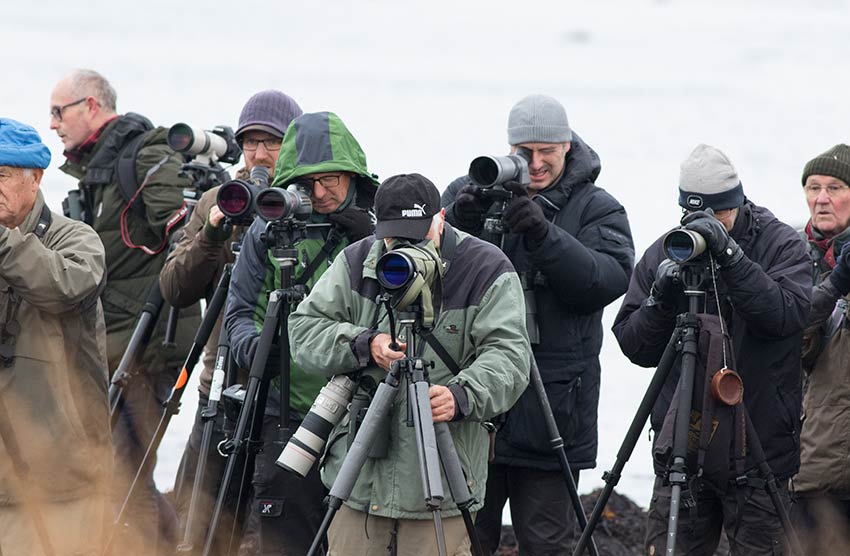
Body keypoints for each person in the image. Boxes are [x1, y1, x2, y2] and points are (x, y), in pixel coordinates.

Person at [288, 173, 531, 555]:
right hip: (359, 478)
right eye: (393, 235)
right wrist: (364, 343)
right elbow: (303, 331)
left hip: (444, 479)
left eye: (417, 233)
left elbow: (510, 354)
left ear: (441, 217)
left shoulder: (483, 266)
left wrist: (461, 395)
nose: (404, 244)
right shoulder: (356, 260)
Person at [441, 93, 634, 554]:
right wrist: (457, 231)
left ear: (568, 145)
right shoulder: (472, 190)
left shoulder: (597, 208)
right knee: (462, 542)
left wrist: (544, 235)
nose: (537, 163)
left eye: (548, 150)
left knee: (547, 545)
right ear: (508, 149)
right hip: (474, 407)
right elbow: (423, 280)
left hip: (552, 408)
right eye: (525, 152)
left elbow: (604, 282)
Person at [612, 144, 811, 555]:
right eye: (694, 213)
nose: (706, 223)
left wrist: (731, 259)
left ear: (737, 202)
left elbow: (786, 317)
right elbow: (635, 345)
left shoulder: (780, 245)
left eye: (718, 214)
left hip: (759, 446)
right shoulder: (672, 249)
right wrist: (659, 302)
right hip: (684, 443)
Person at [49, 68, 201, 554]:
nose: (53, 123)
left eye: (59, 111)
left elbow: (187, 236)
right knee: (109, 470)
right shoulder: (101, 166)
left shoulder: (144, 154)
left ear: (91, 106)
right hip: (113, 343)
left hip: (152, 342)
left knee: (126, 472)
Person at [224, 111, 378, 555]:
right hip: (285, 407)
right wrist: (256, 351)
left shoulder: (379, 227)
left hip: (361, 409)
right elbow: (240, 313)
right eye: (310, 182)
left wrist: (368, 237)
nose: (323, 191)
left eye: (334, 179)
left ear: (354, 175)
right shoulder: (269, 230)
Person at [159, 90, 302, 554]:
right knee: (198, 526)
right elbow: (175, 289)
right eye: (250, 142)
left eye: (272, 143)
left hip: (286, 398)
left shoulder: (306, 204)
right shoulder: (220, 202)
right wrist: (215, 230)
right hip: (219, 389)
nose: (259, 154)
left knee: (272, 531)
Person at [0, 118, 111, 554]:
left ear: (36, 178)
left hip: (63, 475)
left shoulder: (76, 239)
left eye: (3, 175)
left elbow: (64, 287)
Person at [793, 144, 850, 553]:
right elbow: (789, 344)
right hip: (803, 461)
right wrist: (833, 286)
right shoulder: (789, 254)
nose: (821, 198)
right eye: (813, 187)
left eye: (835, 187)